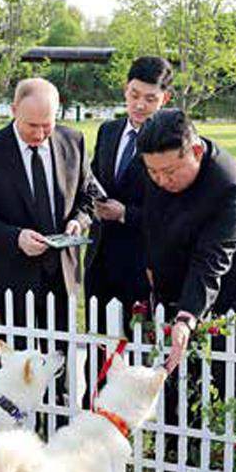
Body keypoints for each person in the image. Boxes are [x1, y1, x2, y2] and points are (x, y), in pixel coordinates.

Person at [136, 108, 236, 427]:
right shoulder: (158, 164)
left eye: (169, 172)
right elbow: (152, 221)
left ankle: (230, 449)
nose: (161, 181)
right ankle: (176, 446)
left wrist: (186, 317)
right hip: (182, 282)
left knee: (229, 383)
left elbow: (212, 260)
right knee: (177, 377)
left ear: (195, 152)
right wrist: (152, 268)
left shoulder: (230, 188)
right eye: (153, 172)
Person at [0, 77, 93, 413]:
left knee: (59, 356)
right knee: (15, 362)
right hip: (12, 275)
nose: (39, 134)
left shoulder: (73, 141)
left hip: (61, 274)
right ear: (13, 110)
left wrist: (78, 220)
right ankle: (15, 422)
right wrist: (15, 237)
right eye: (31, 125)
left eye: (47, 125)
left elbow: (88, 196)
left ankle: (58, 420)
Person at [84, 56, 172, 336]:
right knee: (99, 343)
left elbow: (173, 211)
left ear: (165, 99)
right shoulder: (108, 131)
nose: (139, 105)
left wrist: (125, 214)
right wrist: (88, 207)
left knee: (139, 347)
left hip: (143, 263)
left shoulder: (171, 142)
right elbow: (93, 178)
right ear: (125, 90)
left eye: (150, 99)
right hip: (100, 257)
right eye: (134, 95)